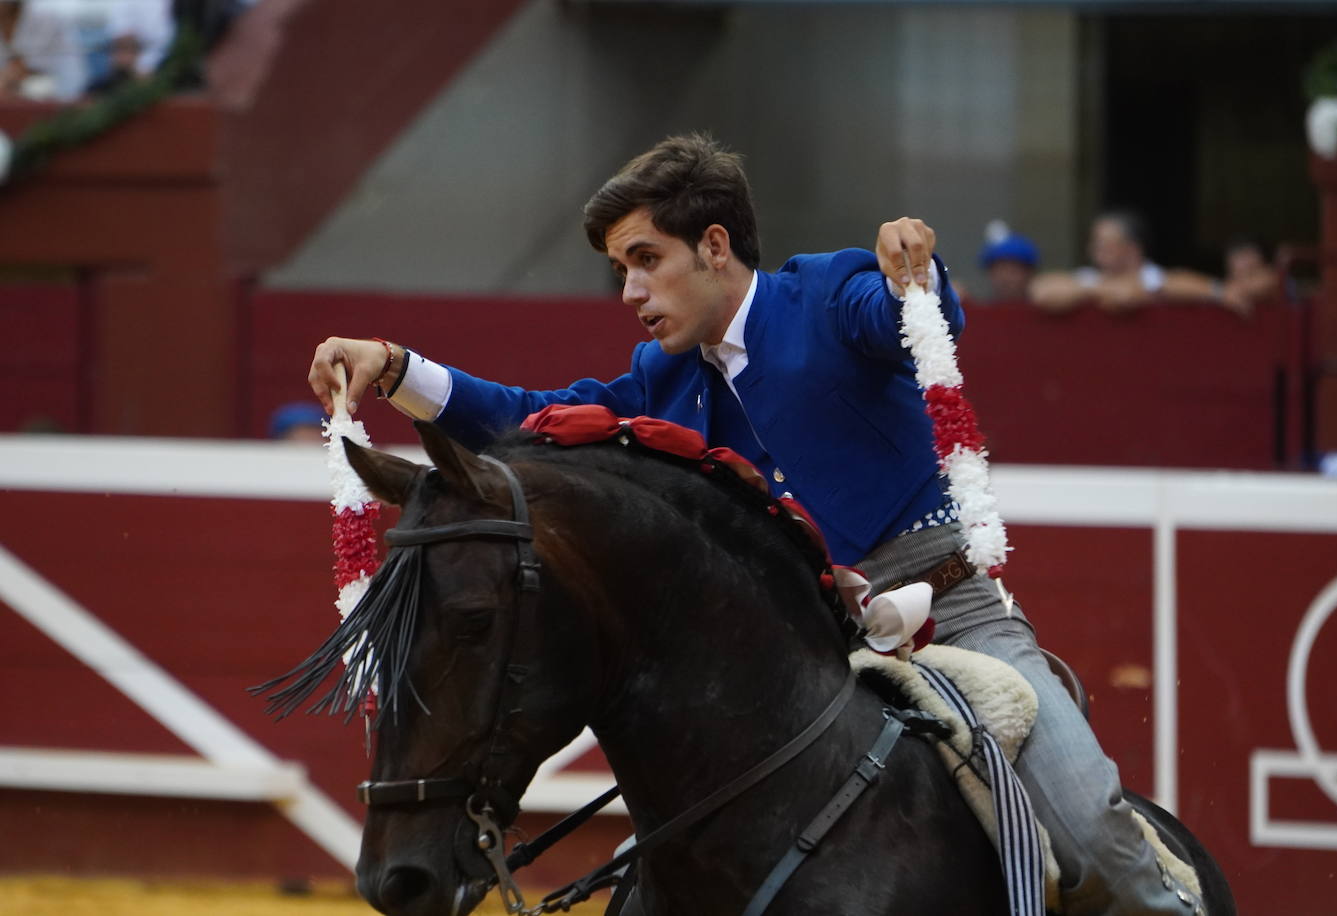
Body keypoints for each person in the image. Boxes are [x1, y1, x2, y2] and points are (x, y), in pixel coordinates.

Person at [307, 134, 1200, 915]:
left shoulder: (824, 293)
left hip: (953, 617)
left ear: (716, 245)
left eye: (645, 259)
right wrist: (393, 368)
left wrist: (912, 272)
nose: (630, 290)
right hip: (809, 643)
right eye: (621, 269)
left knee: (1093, 837)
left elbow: (910, 316)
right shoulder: (665, 379)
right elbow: (533, 419)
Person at [1030, 210, 1165, 313]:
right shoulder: (1089, 278)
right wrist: (1098, 291)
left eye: (1104, 243)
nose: (1095, 248)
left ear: (1132, 248)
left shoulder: (1153, 276)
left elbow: (1127, 296)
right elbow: (1041, 290)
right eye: (1095, 242)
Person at [978, 220, 1039, 302]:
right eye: (999, 270)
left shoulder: (1043, 308)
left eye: (1013, 271)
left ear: (1029, 273)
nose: (1005, 278)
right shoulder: (982, 309)